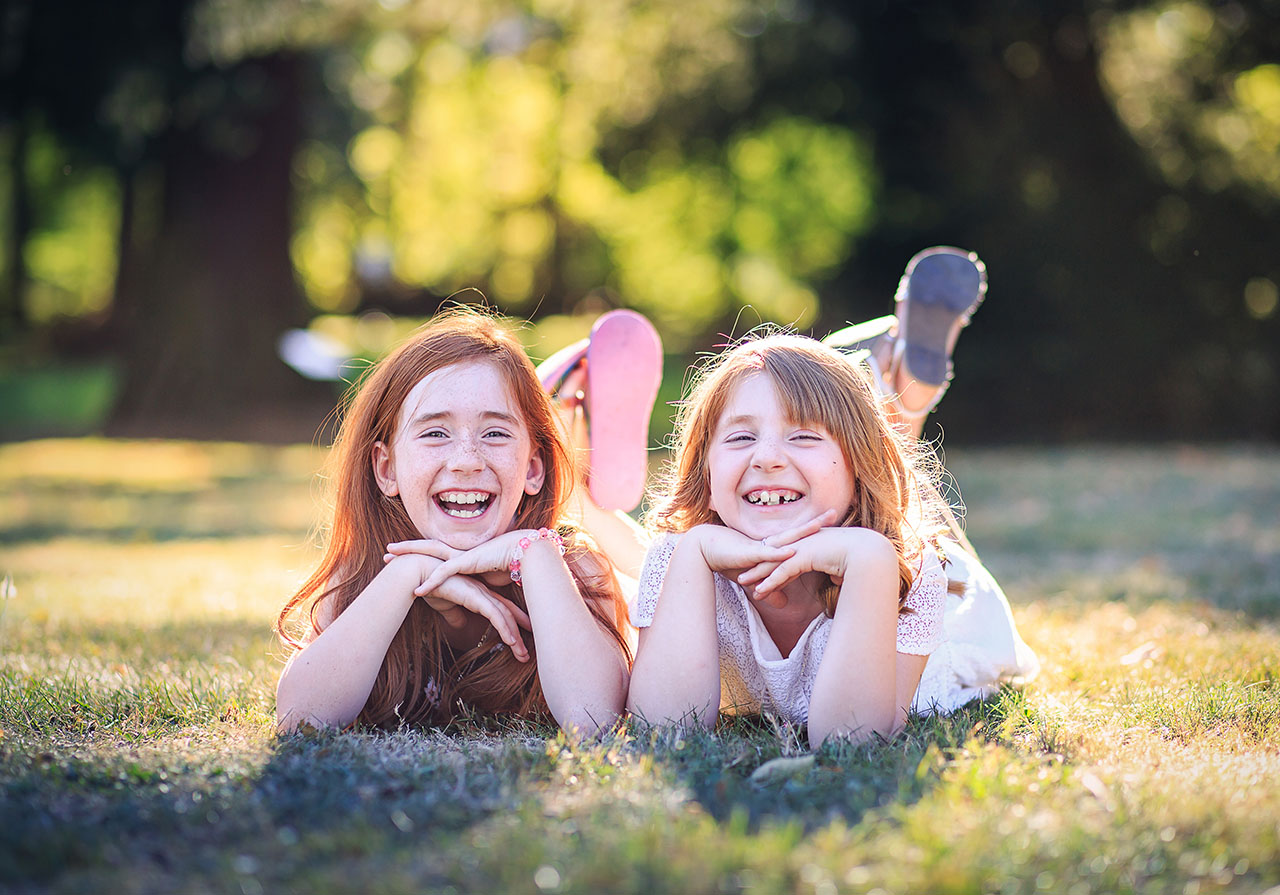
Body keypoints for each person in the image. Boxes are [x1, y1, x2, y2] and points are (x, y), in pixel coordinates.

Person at [626, 247, 1037, 746]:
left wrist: (868, 558)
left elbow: (845, 740)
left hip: (938, 583)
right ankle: (881, 373)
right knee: (862, 471)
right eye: (739, 438)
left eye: (803, 435)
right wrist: (691, 551)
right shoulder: (680, 557)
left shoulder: (915, 574)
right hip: (853, 506)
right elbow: (664, 731)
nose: (767, 458)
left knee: (898, 495)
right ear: (704, 471)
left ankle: (895, 388)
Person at [275, 309, 639, 735]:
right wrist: (412, 572)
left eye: (495, 433)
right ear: (386, 469)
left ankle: (569, 427)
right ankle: (560, 407)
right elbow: (298, 719)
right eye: (435, 433)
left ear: (533, 469)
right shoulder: (365, 574)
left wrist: (533, 553)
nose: (467, 461)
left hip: (609, 567)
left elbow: (595, 719)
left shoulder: (577, 568)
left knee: (651, 565)